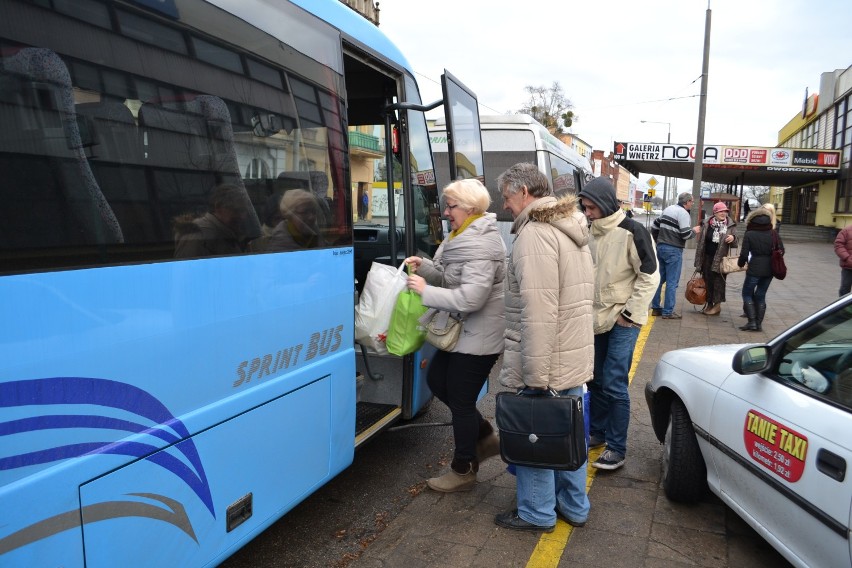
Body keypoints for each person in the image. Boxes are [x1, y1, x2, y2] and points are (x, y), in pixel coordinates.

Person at [493, 162, 594, 532]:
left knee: (536, 434)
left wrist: (534, 377)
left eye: (506, 198)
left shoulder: (535, 234)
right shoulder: (570, 226)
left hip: (546, 360)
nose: (504, 206)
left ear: (523, 193)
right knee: (568, 434)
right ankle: (574, 505)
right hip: (572, 352)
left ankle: (537, 511)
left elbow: (537, 312)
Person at [404, 178, 506, 493]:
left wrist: (425, 292)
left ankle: (463, 469)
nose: (446, 212)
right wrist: (426, 269)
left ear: (470, 207)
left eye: (451, 206)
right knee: (437, 380)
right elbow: (450, 278)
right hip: (461, 331)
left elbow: (471, 298)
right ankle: (485, 435)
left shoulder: (480, 243)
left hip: (480, 335)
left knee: (460, 399)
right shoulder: (462, 234)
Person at [578, 178, 659, 471]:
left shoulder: (633, 231)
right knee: (595, 378)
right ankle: (597, 433)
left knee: (613, 381)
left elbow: (650, 275)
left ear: (606, 204)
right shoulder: (589, 232)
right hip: (595, 317)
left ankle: (616, 447)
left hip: (623, 319)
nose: (587, 213)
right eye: (584, 207)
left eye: (591, 208)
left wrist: (630, 314)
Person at [650, 192, 701, 319]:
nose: (692, 204)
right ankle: (668, 312)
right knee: (672, 282)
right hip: (674, 249)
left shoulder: (668, 209)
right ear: (687, 202)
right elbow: (685, 234)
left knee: (659, 280)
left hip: (661, 248)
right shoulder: (683, 213)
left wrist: (658, 241)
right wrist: (694, 231)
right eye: (692, 201)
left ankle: (656, 308)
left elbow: (654, 226)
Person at [173, 183, 251, 258]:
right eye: (236, 210)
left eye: (244, 211)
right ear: (218, 207)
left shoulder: (228, 233)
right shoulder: (198, 237)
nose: (243, 216)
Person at [738, 206, 783, 331]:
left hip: (755, 268)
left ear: (752, 220)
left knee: (747, 294)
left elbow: (744, 254)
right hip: (770, 269)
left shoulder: (750, 234)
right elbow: (781, 250)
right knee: (761, 295)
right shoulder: (773, 233)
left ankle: (752, 321)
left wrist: (741, 264)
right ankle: (758, 324)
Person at [693, 202, 737, 316]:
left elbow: (735, 243)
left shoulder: (730, 225)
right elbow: (701, 243)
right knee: (707, 281)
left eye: (725, 211)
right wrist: (699, 261)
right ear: (715, 212)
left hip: (721, 259)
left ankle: (717, 306)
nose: (723, 213)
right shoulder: (707, 223)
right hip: (707, 258)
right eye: (720, 211)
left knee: (719, 283)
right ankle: (709, 304)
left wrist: (733, 238)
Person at [834, 223, 852, 296]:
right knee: (845, 289)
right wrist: (847, 258)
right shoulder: (846, 231)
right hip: (848, 267)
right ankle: (843, 307)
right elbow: (838, 245)